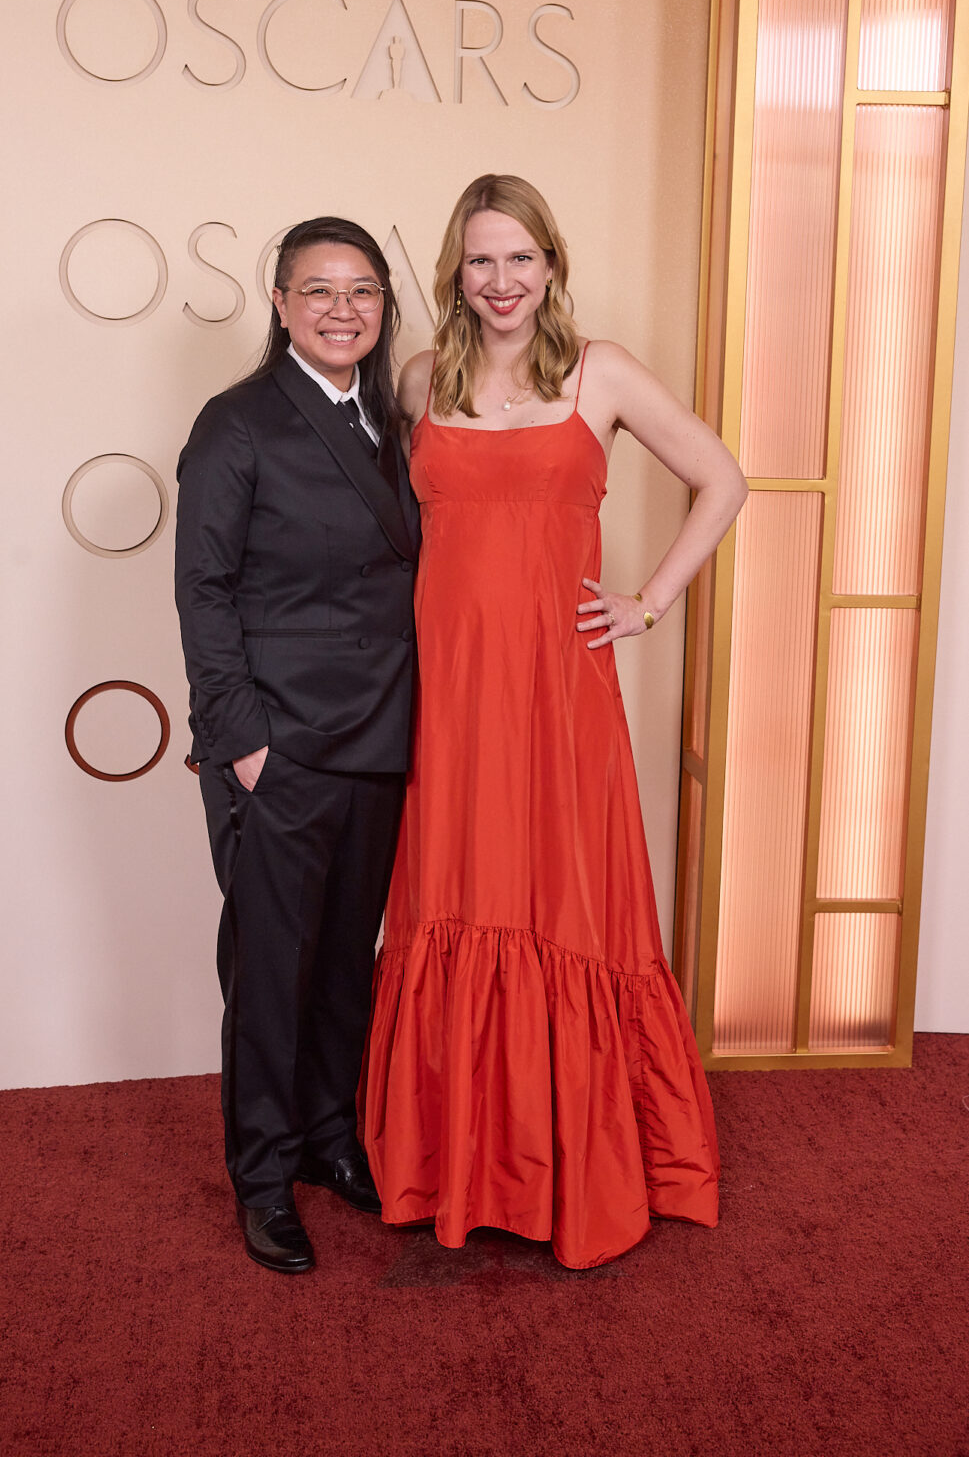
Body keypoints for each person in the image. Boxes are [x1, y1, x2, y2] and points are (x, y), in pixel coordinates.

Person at [361, 175, 747, 1271]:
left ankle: (575, 1162)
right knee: (453, 895)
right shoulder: (420, 379)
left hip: (556, 695)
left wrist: (648, 602)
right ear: (455, 271)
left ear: (550, 266)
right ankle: (450, 1159)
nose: (500, 282)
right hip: (445, 692)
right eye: (480, 261)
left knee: (566, 901)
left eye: (519, 259)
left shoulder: (601, 370)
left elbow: (720, 478)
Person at [175, 217, 420, 1274]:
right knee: (270, 973)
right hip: (278, 743)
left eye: (361, 291)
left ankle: (331, 1141)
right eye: (317, 291)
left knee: (342, 970)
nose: (341, 310)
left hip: (382, 733)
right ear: (277, 305)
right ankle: (263, 1178)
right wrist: (241, 743)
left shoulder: (396, 421)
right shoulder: (236, 423)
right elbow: (203, 589)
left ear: (382, 307)